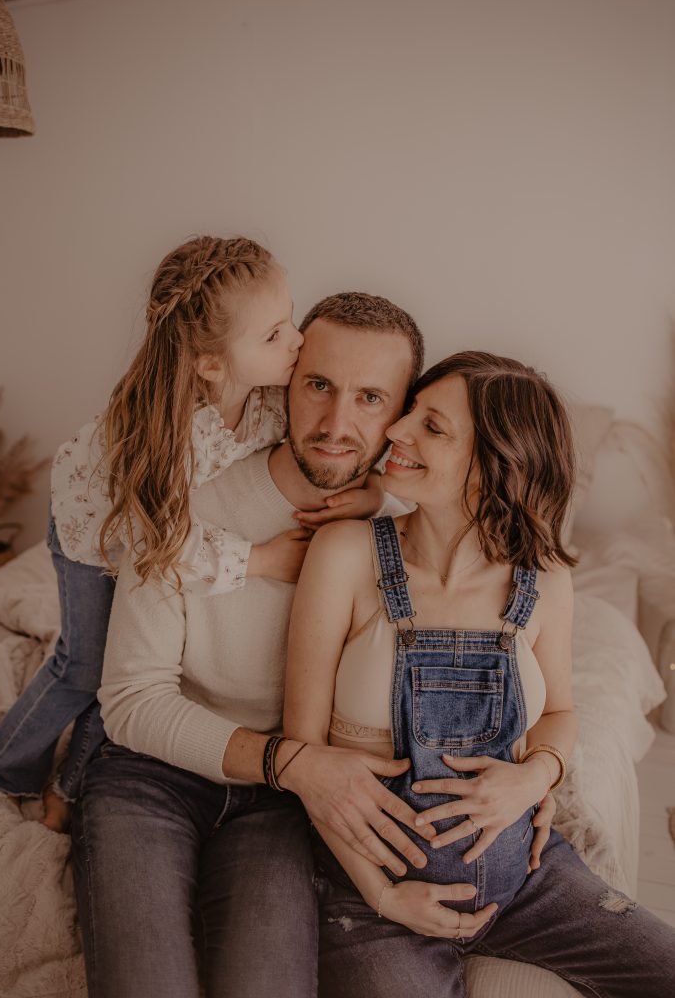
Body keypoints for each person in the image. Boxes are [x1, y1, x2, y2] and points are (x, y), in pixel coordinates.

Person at [74, 294, 544, 998]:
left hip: (285, 805)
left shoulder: (413, 521)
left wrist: (538, 775)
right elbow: (132, 700)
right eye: (318, 385)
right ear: (283, 384)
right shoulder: (182, 498)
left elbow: (509, 670)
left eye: (371, 398)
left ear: (402, 415)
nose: (335, 424)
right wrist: (291, 762)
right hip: (154, 775)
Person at [284, 350, 675, 998]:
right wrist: (382, 895)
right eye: (410, 411)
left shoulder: (543, 578)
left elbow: (560, 714)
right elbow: (303, 751)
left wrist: (535, 776)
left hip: (525, 884)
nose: (396, 430)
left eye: (431, 426)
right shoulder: (346, 553)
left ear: (496, 463)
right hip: (374, 898)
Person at [0, 236, 379, 831]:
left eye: (290, 319)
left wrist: (373, 491)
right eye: (274, 335)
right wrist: (260, 561)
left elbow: (341, 443)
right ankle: (9, 767)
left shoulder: (269, 396)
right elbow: (162, 543)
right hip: (93, 529)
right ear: (212, 364)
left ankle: (70, 783)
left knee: (122, 659)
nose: (297, 342)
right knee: (84, 666)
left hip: (147, 523)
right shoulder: (168, 437)